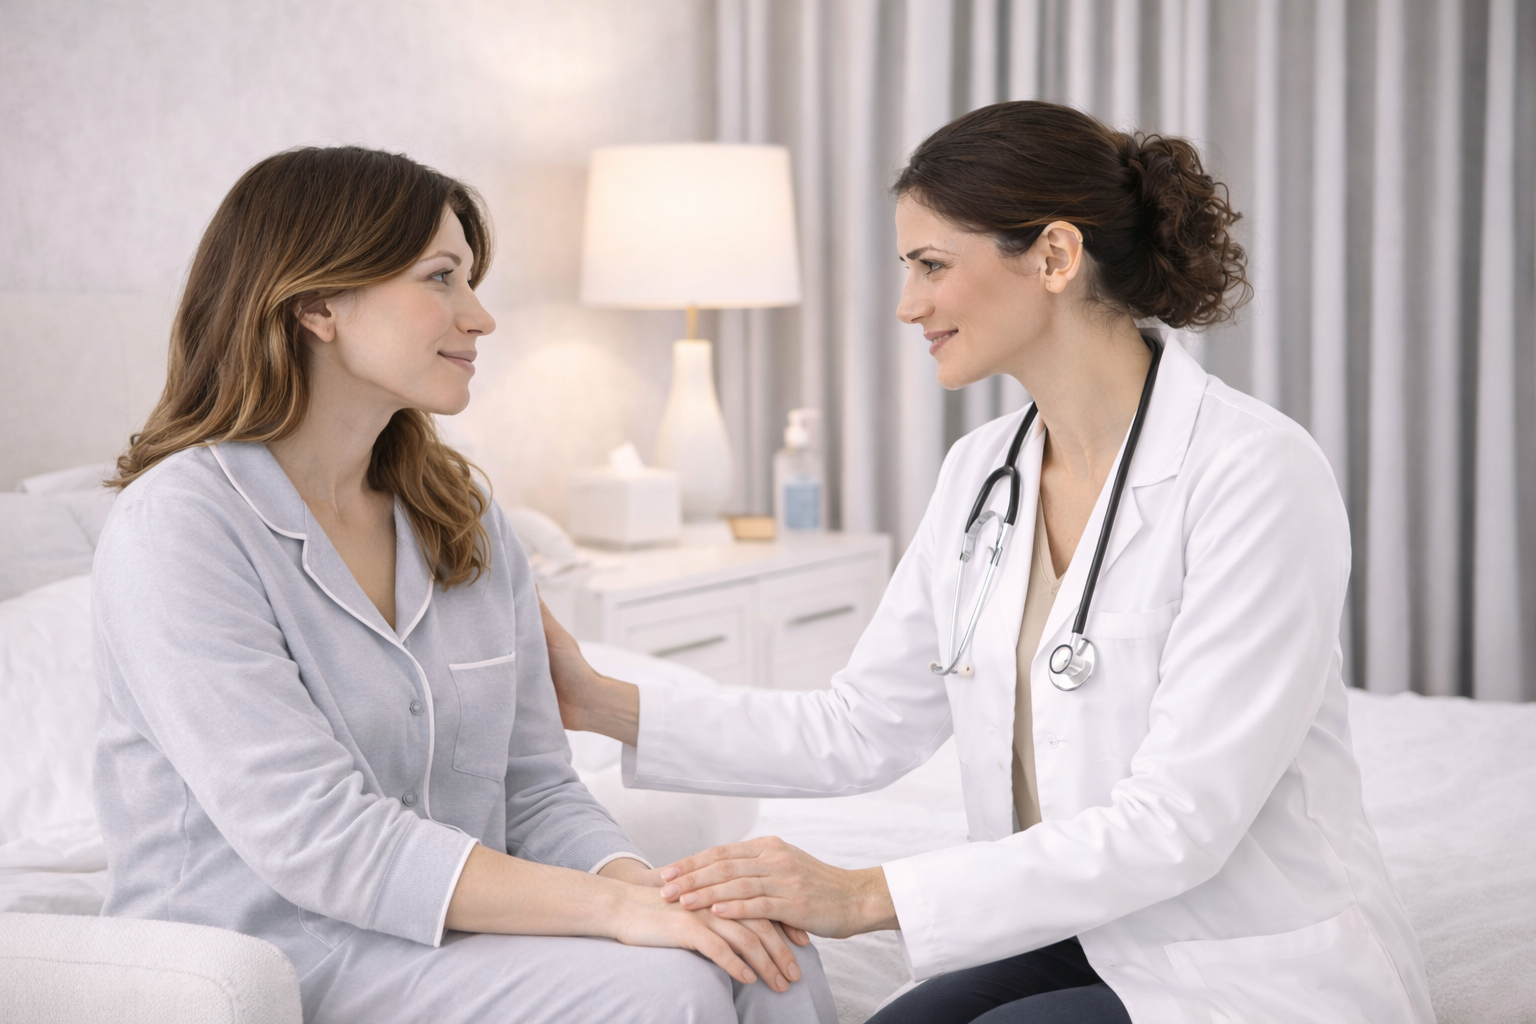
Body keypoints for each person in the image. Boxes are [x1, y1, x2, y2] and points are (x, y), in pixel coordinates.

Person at [544, 102, 1436, 1024]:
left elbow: (1180, 822)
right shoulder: (984, 475)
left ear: (1055, 256)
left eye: (932, 266)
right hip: (1065, 925)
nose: (907, 305)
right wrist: (597, 699)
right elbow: (861, 725)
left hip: (1233, 953)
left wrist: (861, 895)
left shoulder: (1253, 472)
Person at [92, 145, 835, 1024]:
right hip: (271, 959)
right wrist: (616, 914)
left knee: (768, 953)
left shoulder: (461, 512)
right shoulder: (180, 527)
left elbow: (535, 787)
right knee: (671, 992)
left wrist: (651, 894)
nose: (479, 317)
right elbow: (318, 839)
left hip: (457, 939)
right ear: (318, 303)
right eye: (441, 277)